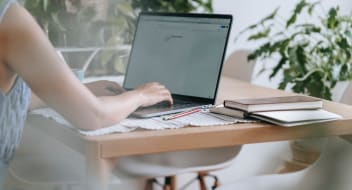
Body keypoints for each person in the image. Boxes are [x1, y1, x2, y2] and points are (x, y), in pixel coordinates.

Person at [0, 0, 173, 186]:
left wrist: (81, 93)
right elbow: (93, 116)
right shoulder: (10, 18)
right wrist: (141, 95)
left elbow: (13, 104)